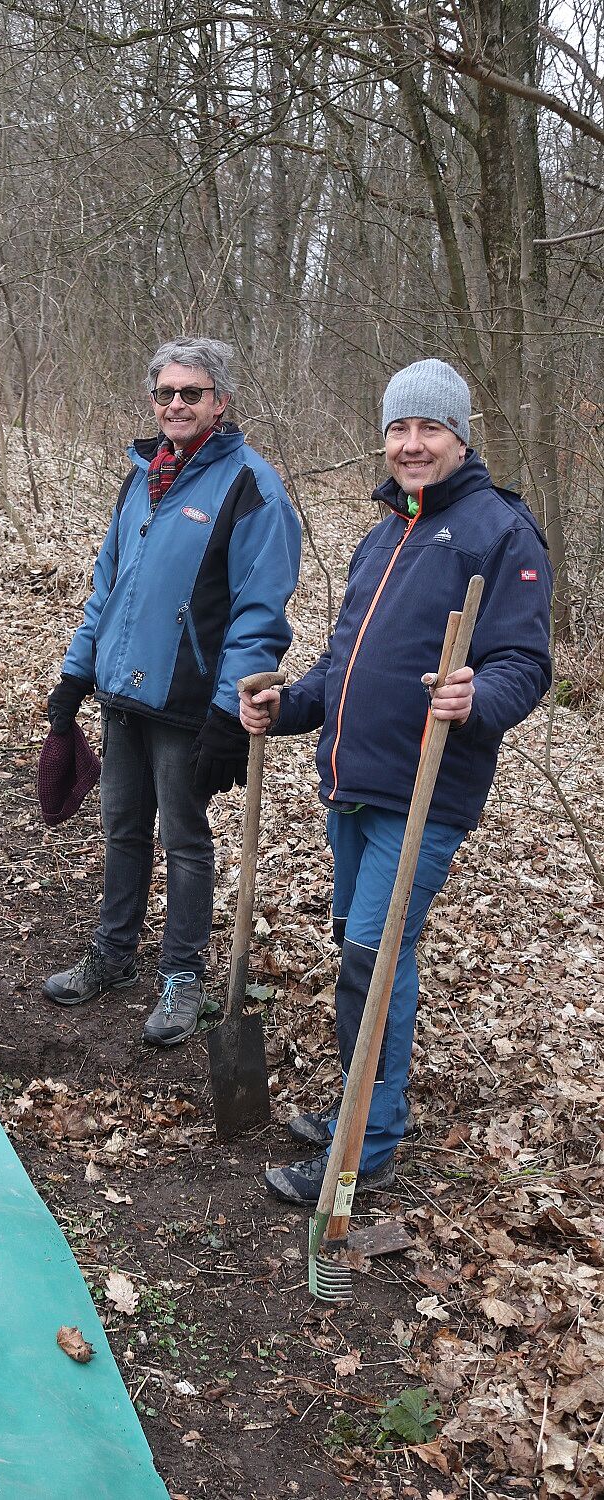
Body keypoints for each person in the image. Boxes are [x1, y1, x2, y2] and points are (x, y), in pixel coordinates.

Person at [240, 358, 553, 1202]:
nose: (412, 445)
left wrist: (476, 692)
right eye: (399, 430)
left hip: (427, 794)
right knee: (363, 953)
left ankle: (365, 1144)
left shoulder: (500, 532)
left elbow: (525, 663)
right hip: (355, 785)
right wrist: (290, 704)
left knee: (374, 960)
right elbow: (346, 667)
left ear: (460, 436)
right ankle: (364, 1105)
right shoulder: (383, 536)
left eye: (430, 429)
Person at [42, 336, 301, 1046]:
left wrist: (227, 712)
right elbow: (109, 589)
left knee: (185, 843)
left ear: (221, 401)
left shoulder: (251, 487)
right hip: (121, 692)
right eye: (166, 393)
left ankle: (182, 978)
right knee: (122, 828)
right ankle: (113, 954)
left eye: (192, 393)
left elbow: (259, 612)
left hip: (189, 704)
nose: (177, 404)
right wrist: (74, 676)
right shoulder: (143, 475)